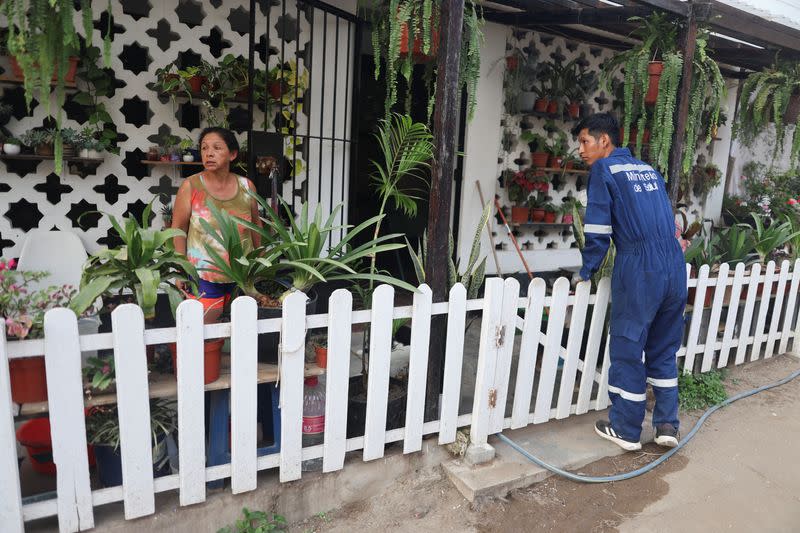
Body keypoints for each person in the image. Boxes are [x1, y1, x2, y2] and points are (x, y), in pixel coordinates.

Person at [572, 113, 686, 451]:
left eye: (584, 141)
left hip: (640, 267)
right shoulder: (648, 169)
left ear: (604, 141)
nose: (580, 150)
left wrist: (586, 271)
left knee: (627, 345)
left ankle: (625, 427)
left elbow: (597, 232)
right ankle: (667, 425)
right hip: (674, 265)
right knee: (664, 348)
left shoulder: (603, 170)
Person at [171, 127, 261, 323]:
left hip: (242, 274)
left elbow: (256, 227)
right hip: (203, 274)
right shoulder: (191, 186)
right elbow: (178, 230)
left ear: (233, 154)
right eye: (204, 148)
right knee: (203, 334)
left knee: (241, 333)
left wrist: (261, 265)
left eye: (217, 148)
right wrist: (180, 271)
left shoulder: (247, 187)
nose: (208, 153)